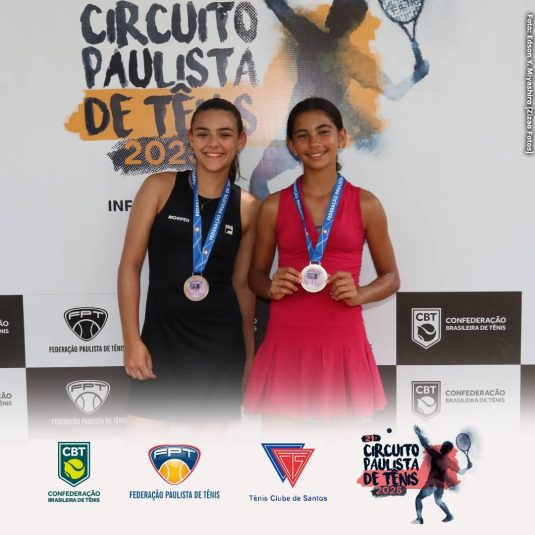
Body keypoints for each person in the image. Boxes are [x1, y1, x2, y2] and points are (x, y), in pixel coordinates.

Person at [244, 96, 400, 423]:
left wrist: (360, 293)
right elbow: (255, 276)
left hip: (343, 342)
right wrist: (270, 287)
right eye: (303, 135)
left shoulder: (367, 204)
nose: (314, 142)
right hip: (287, 341)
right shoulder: (273, 206)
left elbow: (391, 278)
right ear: (292, 146)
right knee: (283, 449)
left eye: (323, 132)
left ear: (341, 137)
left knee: (342, 448)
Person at [118, 98, 258, 427]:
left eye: (225, 134)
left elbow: (242, 286)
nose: (213, 143)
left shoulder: (249, 207)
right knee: (142, 451)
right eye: (203, 134)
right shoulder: (159, 186)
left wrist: (249, 356)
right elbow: (130, 266)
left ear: (240, 140)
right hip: (160, 344)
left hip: (221, 348)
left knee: (211, 456)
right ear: (190, 139)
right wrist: (131, 341)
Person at [250, 0, 429, 199]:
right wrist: (417, 76)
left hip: (299, 134)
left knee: (259, 181)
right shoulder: (355, 60)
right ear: (355, 24)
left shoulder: (309, 34)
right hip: (324, 141)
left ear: (334, 17)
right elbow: (394, 93)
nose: (331, 14)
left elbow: (278, 6)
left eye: (334, 11)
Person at [412, 425, 473, 524]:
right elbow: (461, 472)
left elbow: (424, 444)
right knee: (438, 501)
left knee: (418, 498)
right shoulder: (449, 462)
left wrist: (418, 434)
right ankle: (449, 515)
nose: (443, 447)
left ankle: (419, 518)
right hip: (440, 486)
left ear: (444, 448)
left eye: (444, 446)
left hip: (432, 483)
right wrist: (468, 467)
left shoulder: (435, 454)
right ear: (449, 451)